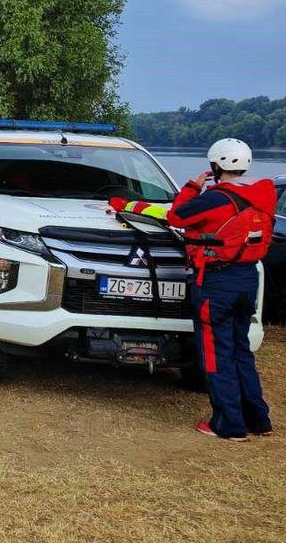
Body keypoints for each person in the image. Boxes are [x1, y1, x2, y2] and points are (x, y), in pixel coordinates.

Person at [109, 138, 275, 442]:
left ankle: (229, 425)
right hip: (247, 278)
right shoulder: (262, 195)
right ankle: (258, 420)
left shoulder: (214, 198)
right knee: (240, 352)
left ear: (215, 165)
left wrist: (192, 186)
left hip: (216, 282)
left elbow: (177, 216)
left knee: (216, 355)